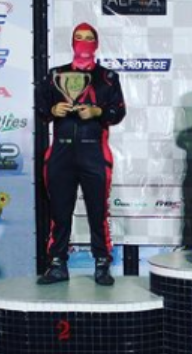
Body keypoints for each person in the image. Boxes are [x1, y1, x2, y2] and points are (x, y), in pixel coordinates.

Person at [38, 23, 126, 286]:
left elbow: (119, 111)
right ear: (72, 42)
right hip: (61, 151)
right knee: (59, 212)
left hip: (94, 152)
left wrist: (98, 112)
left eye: (89, 38)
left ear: (96, 43)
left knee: (98, 213)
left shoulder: (107, 77)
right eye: (79, 38)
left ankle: (102, 263)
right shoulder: (55, 75)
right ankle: (57, 264)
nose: (84, 42)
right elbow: (41, 109)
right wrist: (53, 110)